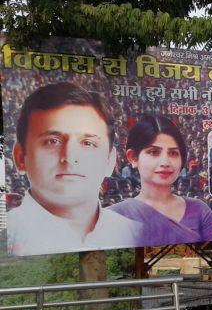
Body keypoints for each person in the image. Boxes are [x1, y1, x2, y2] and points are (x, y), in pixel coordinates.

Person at [7, 82, 140, 256]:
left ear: (110, 161)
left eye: (88, 143)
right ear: (20, 157)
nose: (70, 157)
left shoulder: (135, 233)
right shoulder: (8, 235)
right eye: (52, 141)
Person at [109, 115, 212, 247]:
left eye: (173, 153)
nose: (165, 162)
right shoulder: (114, 216)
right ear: (133, 158)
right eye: (154, 152)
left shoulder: (200, 210)